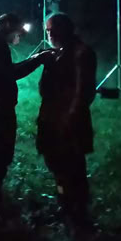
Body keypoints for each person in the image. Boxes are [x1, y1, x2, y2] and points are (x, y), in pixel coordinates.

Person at [0, 13, 51, 212]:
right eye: (18, 31)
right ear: (7, 25)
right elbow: (10, 73)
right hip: (1, 103)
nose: (20, 36)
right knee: (3, 152)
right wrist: (37, 59)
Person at [35, 13, 98, 229]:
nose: (50, 35)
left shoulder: (82, 53)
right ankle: (65, 202)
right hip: (51, 118)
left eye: (54, 30)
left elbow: (84, 92)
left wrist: (70, 119)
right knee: (56, 164)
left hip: (68, 121)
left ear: (66, 29)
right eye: (47, 31)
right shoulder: (56, 53)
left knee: (72, 165)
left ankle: (78, 211)